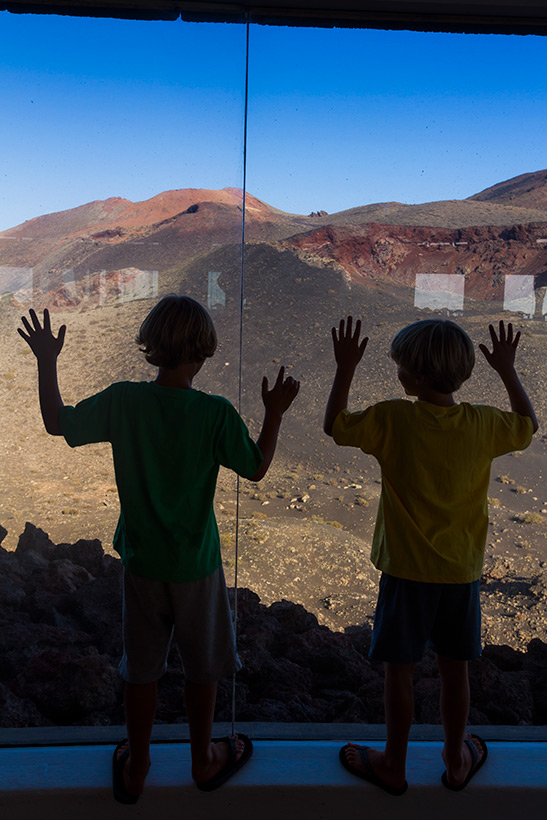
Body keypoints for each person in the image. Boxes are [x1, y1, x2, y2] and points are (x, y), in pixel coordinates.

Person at [19, 296, 299, 802]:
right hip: (196, 565)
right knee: (203, 668)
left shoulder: (125, 400)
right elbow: (256, 467)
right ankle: (203, 759)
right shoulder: (214, 413)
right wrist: (274, 414)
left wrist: (46, 360)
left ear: (152, 344)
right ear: (204, 351)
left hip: (143, 563)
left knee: (142, 669)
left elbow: (57, 423)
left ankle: (138, 766)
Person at [324, 316, 537, 796]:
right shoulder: (483, 423)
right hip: (460, 574)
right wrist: (507, 370)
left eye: (400, 367)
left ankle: (393, 764)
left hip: (405, 574)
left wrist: (345, 369)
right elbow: (528, 425)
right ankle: (456, 759)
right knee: (454, 671)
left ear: (415, 378)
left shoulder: (395, 418)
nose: (397, 374)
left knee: (398, 673)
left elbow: (334, 426)